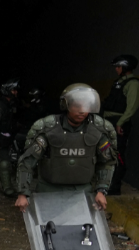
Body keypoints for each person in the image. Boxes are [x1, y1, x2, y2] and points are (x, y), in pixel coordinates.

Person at [16, 84, 117, 212]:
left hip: (82, 192)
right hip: (49, 191)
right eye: (77, 106)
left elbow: (107, 162)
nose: (82, 111)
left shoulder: (97, 130)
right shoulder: (49, 129)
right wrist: (23, 193)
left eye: (86, 106)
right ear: (66, 105)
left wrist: (101, 190)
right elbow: (27, 161)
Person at [103, 54, 138, 194]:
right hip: (109, 121)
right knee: (106, 153)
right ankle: (106, 183)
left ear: (125, 68)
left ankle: (114, 187)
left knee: (117, 155)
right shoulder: (119, 82)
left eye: (118, 67)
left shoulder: (133, 84)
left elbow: (132, 107)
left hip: (119, 123)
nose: (116, 69)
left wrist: (121, 123)